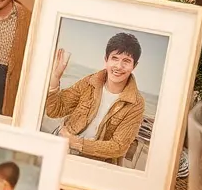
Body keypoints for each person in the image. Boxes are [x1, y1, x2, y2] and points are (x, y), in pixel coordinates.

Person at [45, 31, 145, 164]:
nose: (118, 66)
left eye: (126, 61)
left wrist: (76, 142)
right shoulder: (89, 82)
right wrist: (55, 77)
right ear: (106, 59)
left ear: (134, 66)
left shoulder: (136, 103)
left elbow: (118, 147)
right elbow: (55, 110)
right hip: (61, 146)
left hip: (94, 161)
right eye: (114, 58)